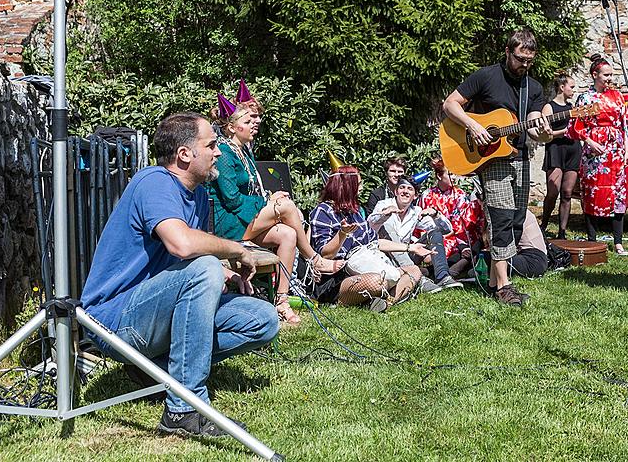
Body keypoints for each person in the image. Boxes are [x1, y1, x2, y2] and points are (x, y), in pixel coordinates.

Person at [80, 112, 279, 438]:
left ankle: (158, 372)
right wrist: (237, 251)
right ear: (185, 154)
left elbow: (193, 257)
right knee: (205, 268)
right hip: (114, 321)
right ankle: (184, 409)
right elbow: (183, 246)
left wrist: (228, 274)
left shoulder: (200, 196)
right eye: (211, 145)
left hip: (157, 309)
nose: (218, 152)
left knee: (263, 319)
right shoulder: (154, 182)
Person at [206, 89, 343, 326]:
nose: (255, 123)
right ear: (231, 127)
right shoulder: (225, 153)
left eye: (255, 119)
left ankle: (282, 301)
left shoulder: (244, 151)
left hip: (245, 219)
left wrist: (269, 198)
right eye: (248, 121)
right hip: (228, 224)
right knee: (286, 207)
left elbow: (252, 192)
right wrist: (270, 203)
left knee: (288, 234)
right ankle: (313, 258)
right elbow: (232, 200)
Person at [442, 28, 553, 306]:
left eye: (530, 61)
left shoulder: (534, 88)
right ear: (507, 52)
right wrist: (473, 125)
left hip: (520, 157)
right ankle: (504, 286)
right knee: (500, 217)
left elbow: (534, 124)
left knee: (515, 220)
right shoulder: (486, 76)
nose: (524, 66)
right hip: (492, 160)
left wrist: (545, 132)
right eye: (519, 59)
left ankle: (493, 281)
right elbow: (450, 104)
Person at [309, 165, 425, 309]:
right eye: (358, 184)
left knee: (414, 270)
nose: (361, 188)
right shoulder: (322, 211)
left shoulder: (355, 211)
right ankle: (377, 296)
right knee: (376, 282)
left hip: (369, 264)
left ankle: (386, 302)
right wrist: (342, 233)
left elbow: (375, 242)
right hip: (339, 278)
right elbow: (326, 255)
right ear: (347, 187)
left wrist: (410, 247)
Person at [568, 54, 628, 255]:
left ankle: (618, 242)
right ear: (594, 75)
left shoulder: (617, 96)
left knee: (618, 195)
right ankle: (591, 240)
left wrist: (627, 151)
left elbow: (624, 125)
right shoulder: (585, 98)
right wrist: (589, 142)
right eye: (606, 75)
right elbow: (575, 127)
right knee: (592, 194)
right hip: (593, 152)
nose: (609, 79)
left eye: (611, 75)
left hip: (615, 151)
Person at [370, 176, 464, 291]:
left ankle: (442, 276)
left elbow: (446, 230)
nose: (405, 191)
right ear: (396, 191)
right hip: (384, 256)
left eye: (409, 189)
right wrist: (384, 214)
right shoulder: (383, 204)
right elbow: (370, 225)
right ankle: (419, 279)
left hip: (407, 254)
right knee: (387, 227)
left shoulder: (416, 212)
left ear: (415, 195)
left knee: (434, 232)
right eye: (402, 188)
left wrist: (436, 215)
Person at [418, 157, 484, 278]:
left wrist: (463, 245)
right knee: (432, 252)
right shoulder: (427, 195)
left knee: (459, 250)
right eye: (450, 174)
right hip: (434, 236)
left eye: (454, 174)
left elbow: (462, 224)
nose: (454, 177)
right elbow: (422, 223)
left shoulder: (459, 194)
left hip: (457, 238)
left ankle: (438, 271)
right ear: (439, 176)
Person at [540, 73, 581, 239]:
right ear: (562, 87)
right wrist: (562, 132)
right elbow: (545, 135)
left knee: (567, 192)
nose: (573, 90)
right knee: (553, 191)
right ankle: (543, 224)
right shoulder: (549, 107)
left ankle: (562, 232)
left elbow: (579, 129)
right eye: (571, 86)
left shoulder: (572, 108)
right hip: (555, 149)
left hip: (572, 149)